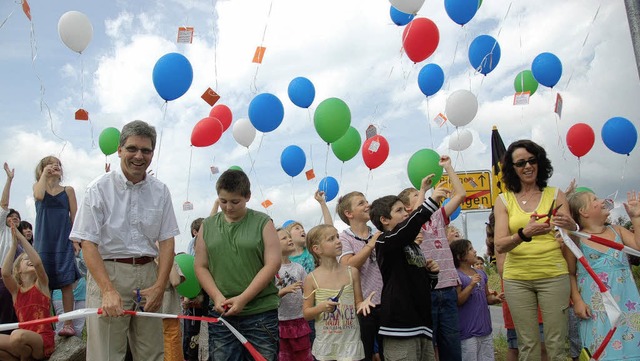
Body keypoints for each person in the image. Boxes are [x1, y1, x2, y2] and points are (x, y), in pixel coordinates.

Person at [70, 120, 179, 361]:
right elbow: (87, 243)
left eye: (146, 150)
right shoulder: (97, 189)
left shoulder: (161, 191)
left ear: (152, 153)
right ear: (119, 150)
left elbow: (167, 241)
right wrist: (107, 290)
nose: (139, 156)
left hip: (150, 274)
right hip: (108, 275)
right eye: (132, 148)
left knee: (153, 354)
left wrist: (160, 287)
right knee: (106, 355)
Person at [494, 139, 576, 360]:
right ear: (512, 169)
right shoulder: (504, 200)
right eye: (520, 163)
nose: (527, 166)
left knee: (556, 345)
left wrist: (572, 227)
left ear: (539, 163)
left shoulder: (556, 194)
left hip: (553, 275)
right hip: (517, 278)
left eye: (532, 160)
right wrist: (524, 234)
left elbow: (569, 237)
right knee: (528, 345)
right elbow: (499, 244)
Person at [194, 169, 280, 361]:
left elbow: (273, 264)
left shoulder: (263, 222)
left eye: (235, 202)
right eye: (223, 201)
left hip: (260, 314)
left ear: (247, 197)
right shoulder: (207, 226)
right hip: (222, 313)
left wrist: (243, 298)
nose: (228, 207)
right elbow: (200, 266)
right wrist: (216, 296)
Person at [399, 155, 466, 361]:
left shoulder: (438, 216)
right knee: (428, 349)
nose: (423, 194)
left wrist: (448, 168)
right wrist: (422, 190)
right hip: (426, 292)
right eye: (415, 195)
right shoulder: (408, 225)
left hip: (447, 289)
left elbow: (461, 194)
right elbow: (416, 217)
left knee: (452, 345)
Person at [369, 175, 440, 361]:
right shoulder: (385, 241)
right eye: (399, 210)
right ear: (384, 219)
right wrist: (431, 202)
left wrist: (431, 275)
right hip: (399, 327)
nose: (406, 212)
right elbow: (408, 228)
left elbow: (422, 286)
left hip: (422, 324)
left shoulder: (413, 246)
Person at [567, 190, 640, 359]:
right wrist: (577, 300)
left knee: (632, 349)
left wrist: (636, 218)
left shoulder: (617, 231)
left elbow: (638, 246)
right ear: (583, 212)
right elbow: (570, 273)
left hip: (626, 302)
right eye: (595, 199)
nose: (603, 201)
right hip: (597, 308)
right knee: (602, 350)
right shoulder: (576, 239)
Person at [303, 224, 373, 361]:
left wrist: (363, 304)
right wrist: (321, 307)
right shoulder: (311, 278)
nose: (338, 241)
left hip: (350, 344)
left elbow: (357, 303)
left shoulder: (352, 272)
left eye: (337, 237)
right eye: (331, 239)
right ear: (317, 249)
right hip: (326, 346)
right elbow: (306, 314)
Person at [33, 155, 81, 337]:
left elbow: (74, 216)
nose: (55, 166)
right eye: (50, 164)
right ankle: (46, 326)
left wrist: (75, 240)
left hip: (63, 239)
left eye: (58, 164)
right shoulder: (38, 188)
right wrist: (44, 175)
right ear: (42, 168)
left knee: (66, 284)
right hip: (43, 242)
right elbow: (38, 195)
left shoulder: (68, 190)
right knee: (44, 285)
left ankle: (68, 323)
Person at [337, 190, 384, 360]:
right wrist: (370, 246)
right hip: (361, 307)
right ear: (349, 213)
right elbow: (348, 266)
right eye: (361, 203)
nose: (368, 205)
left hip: (386, 303)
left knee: (390, 353)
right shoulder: (343, 238)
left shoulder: (380, 233)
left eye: (366, 201)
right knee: (364, 354)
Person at [0, 224, 55, 359]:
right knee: (15, 337)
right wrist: (13, 246)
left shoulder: (42, 284)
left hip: (41, 341)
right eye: (26, 260)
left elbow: (37, 263)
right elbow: (5, 273)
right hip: (21, 343)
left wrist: (21, 239)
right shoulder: (16, 292)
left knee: (17, 335)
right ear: (18, 269)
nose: (30, 260)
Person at [450, 239, 503, 361]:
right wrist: (471, 285)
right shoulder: (456, 275)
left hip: (485, 330)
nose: (474, 251)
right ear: (460, 256)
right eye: (470, 249)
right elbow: (458, 301)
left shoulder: (481, 274)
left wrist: (496, 298)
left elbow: (486, 298)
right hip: (468, 333)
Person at [276, 227, 312, 361]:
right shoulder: (272, 268)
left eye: (289, 237)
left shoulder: (298, 268)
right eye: (284, 238)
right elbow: (268, 297)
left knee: (304, 355)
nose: (289, 239)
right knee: (284, 357)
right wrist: (284, 290)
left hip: (300, 320)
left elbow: (308, 289)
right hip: (280, 321)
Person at [287, 190, 333, 275]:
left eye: (302, 228)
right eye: (297, 228)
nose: (302, 230)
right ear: (288, 236)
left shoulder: (312, 250)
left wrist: (322, 203)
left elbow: (329, 230)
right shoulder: (286, 260)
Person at [183, 217, 208, 361]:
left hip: (210, 292)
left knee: (216, 329)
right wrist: (188, 296)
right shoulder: (193, 245)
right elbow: (190, 274)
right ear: (195, 232)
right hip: (194, 293)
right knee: (192, 334)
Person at [0, 163, 20, 335]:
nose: (14, 219)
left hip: (19, 279)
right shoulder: (3, 230)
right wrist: (9, 179)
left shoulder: (23, 240)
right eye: (11, 217)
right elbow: (4, 204)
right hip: (2, 276)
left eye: (17, 218)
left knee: (17, 314)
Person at [52, 250, 87, 337]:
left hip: (81, 293)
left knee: (78, 329)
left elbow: (87, 267)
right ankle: (60, 350)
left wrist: (79, 251)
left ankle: (76, 350)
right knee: (61, 327)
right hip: (60, 294)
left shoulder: (81, 249)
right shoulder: (58, 249)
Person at [161, 255, 183, 361]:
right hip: (150, 313)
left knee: (172, 351)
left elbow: (175, 281)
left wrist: (166, 256)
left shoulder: (168, 256)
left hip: (168, 312)